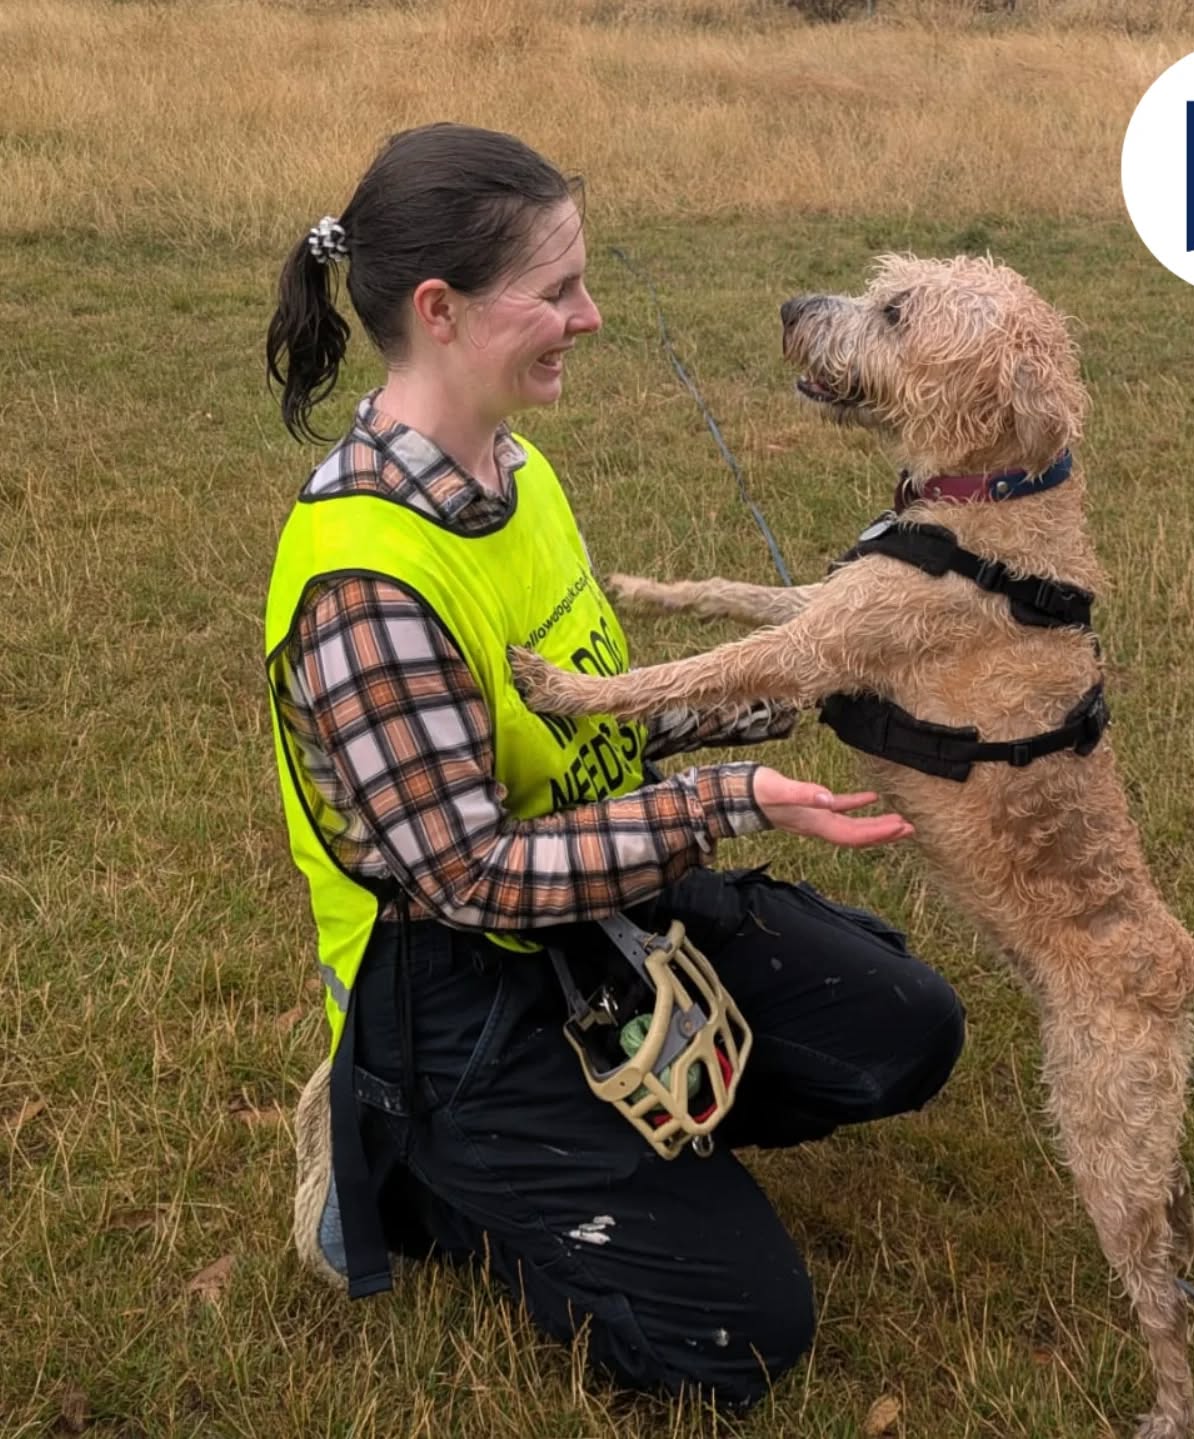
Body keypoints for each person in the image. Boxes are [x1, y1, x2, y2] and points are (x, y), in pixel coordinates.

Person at [263, 122, 964, 1410]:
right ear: (443, 311)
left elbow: (598, 721)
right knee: (737, 1343)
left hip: (596, 908)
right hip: (454, 993)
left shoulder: (517, 473)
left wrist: (802, 685)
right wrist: (721, 805)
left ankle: (621, 1142)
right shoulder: (363, 582)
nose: (589, 317)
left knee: (905, 1032)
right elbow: (469, 876)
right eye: (559, 288)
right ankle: (418, 1168)